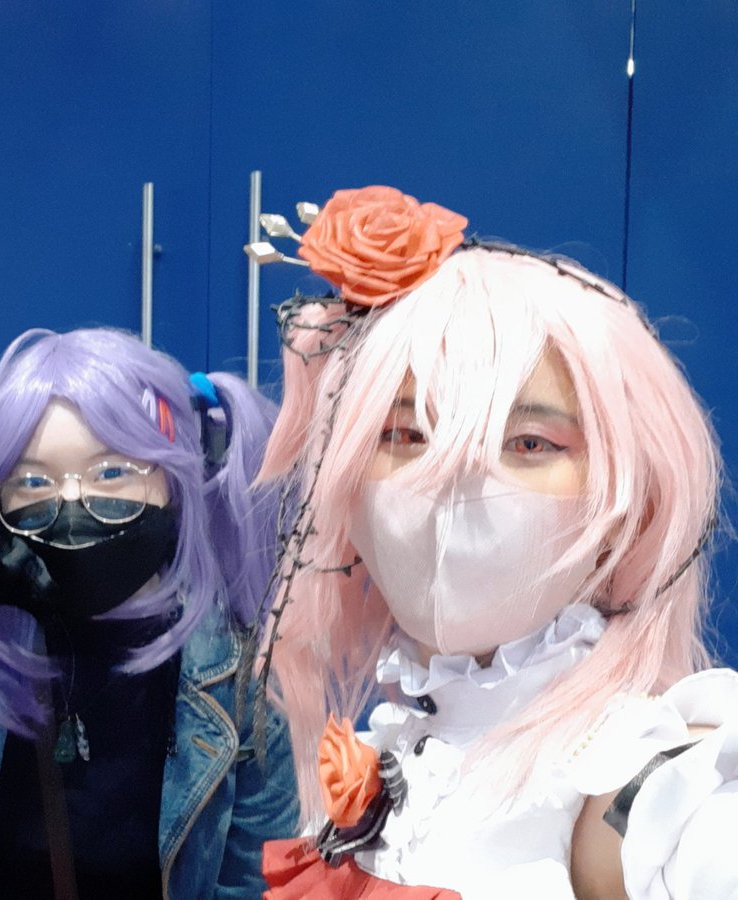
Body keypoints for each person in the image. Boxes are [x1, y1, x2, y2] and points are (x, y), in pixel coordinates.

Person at [252, 186, 736, 899]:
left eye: (530, 442)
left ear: (624, 499)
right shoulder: (392, 746)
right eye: (405, 434)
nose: (452, 479)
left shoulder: (650, 788)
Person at [0, 327, 300, 899]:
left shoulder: (241, 679)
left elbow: (259, 880)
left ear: (173, 479)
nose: (71, 502)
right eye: (33, 482)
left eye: (111, 472)